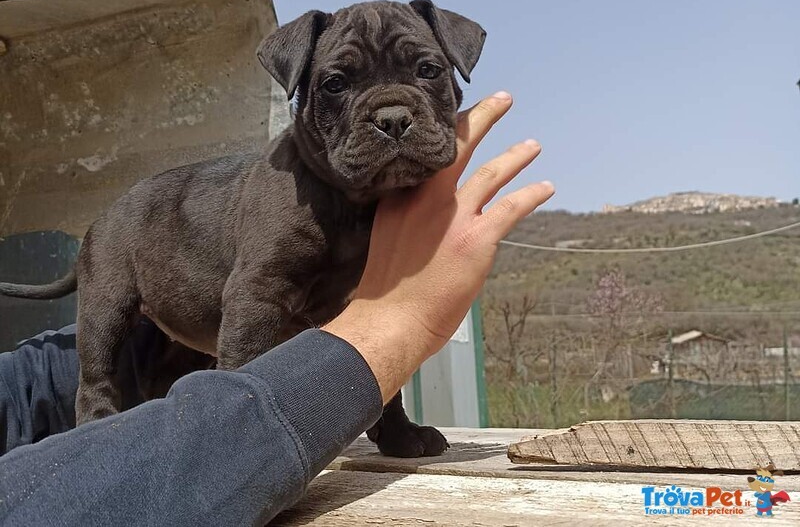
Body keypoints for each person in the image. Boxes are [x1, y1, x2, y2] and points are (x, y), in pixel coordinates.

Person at [0, 92, 554, 526]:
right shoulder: (287, 205)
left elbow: (339, 309)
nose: (390, 113)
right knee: (100, 380)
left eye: (427, 71)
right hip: (134, 239)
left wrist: (389, 417)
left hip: (166, 337)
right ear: (299, 98)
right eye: (336, 86)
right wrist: (396, 325)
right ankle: (96, 409)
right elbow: (256, 306)